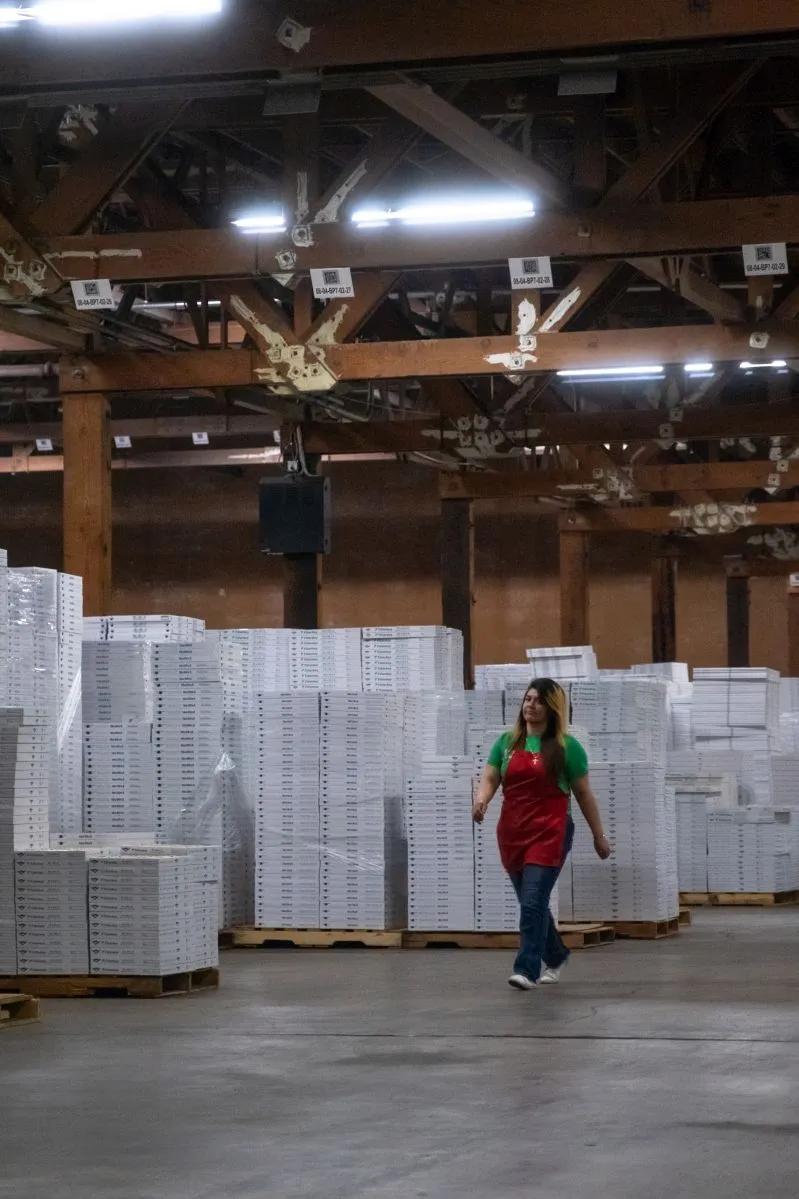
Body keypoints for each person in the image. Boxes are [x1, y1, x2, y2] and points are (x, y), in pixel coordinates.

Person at [472, 677, 611, 991]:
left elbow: (584, 793)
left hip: (552, 828)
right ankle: (557, 955)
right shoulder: (506, 743)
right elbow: (491, 776)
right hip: (513, 829)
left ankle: (526, 969)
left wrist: (598, 835)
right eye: (527, 699)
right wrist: (481, 800)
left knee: (534, 900)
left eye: (537, 700)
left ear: (552, 707)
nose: (530, 705)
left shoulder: (567, 747)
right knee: (530, 902)